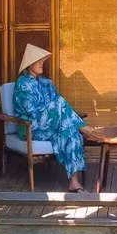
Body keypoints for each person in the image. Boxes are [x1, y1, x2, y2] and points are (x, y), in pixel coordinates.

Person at [12, 44, 87, 192]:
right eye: (38, 61)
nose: (42, 63)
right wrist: (54, 111)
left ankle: (74, 182)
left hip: (50, 125)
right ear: (29, 64)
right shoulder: (22, 84)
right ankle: (84, 127)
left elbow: (56, 106)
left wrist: (56, 114)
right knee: (60, 104)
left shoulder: (45, 83)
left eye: (42, 61)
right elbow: (32, 111)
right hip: (32, 126)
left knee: (73, 135)